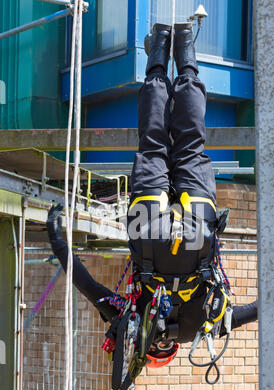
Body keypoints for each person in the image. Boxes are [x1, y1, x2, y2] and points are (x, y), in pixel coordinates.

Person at [46, 23, 257, 371]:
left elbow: (260, 308)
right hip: (149, 231)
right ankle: (158, 52)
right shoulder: (129, 317)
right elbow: (84, 282)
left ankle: (186, 51)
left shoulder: (206, 327)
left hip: (195, 233)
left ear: (169, 349)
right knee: (154, 143)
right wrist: (57, 234)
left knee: (190, 145)